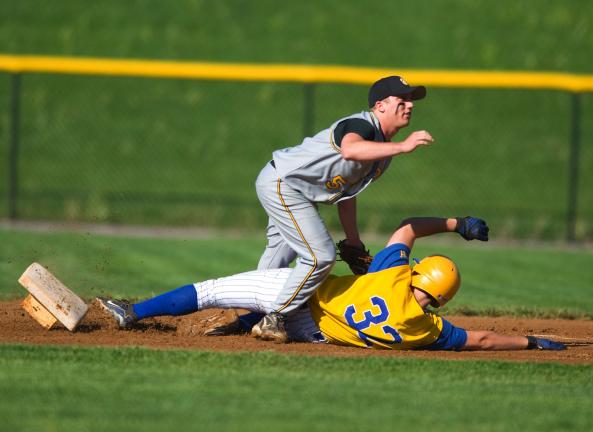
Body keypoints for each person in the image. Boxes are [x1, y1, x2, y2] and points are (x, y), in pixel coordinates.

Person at [97, 216, 566, 352]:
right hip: (317, 334)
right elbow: (480, 338)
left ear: (419, 273)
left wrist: (456, 223)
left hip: (304, 295)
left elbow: (406, 228)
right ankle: (253, 325)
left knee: (211, 290)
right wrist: (527, 340)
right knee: (287, 321)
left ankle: (132, 313)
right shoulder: (425, 331)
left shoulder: (391, 273)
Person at [252, 75, 434, 343]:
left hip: (296, 192)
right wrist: (404, 146)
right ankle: (274, 317)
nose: (410, 105)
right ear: (380, 105)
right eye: (403, 99)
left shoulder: (381, 153)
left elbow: (347, 193)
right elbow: (350, 149)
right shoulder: (362, 125)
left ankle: (251, 314)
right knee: (319, 256)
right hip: (283, 183)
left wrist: (353, 239)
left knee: (279, 254)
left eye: (411, 100)